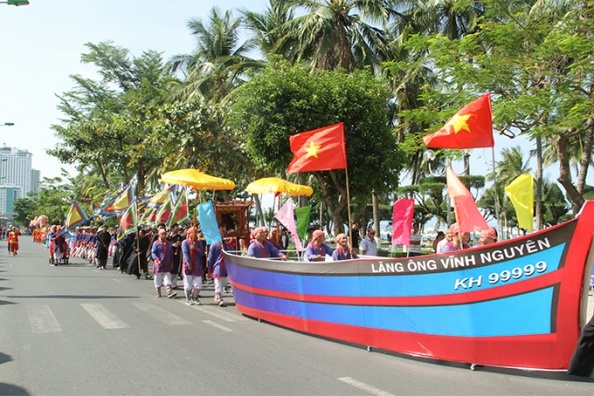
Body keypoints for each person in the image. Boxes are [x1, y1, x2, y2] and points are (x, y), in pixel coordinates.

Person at [181, 226, 205, 305]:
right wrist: (188, 264)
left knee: (198, 284)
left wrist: (195, 249)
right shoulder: (185, 242)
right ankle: (187, 299)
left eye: (196, 232)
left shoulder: (198, 242)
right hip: (188, 266)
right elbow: (185, 254)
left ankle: (195, 297)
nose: (195, 234)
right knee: (188, 284)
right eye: (194, 233)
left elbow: (202, 253)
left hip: (197, 265)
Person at [151, 228, 177, 299]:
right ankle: (158, 291)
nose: (164, 235)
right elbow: (153, 253)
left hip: (167, 264)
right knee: (158, 279)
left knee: (167, 278)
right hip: (158, 265)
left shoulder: (168, 243)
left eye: (165, 234)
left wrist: (171, 262)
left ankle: (169, 291)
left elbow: (170, 254)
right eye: (163, 234)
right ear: (159, 235)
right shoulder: (156, 243)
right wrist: (157, 260)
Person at [208, 239, 231, 307]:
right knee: (218, 281)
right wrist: (209, 268)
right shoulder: (214, 246)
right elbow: (210, 258)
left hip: (226, 266)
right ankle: (218, 297)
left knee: (224, 281)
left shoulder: (226, 244)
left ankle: (218, 295)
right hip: (218, 266)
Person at [167, 224, 183, 289]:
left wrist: (179, 244)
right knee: (169, 268)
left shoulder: (179, 237)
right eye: (176, 228)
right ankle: (168, 282)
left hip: (177, 254)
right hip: (169, 254)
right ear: (172, 228)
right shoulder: (168, 236)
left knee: (176, 268)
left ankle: (174, 284)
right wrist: (172, 244)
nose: (177, 229)